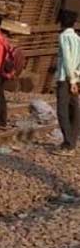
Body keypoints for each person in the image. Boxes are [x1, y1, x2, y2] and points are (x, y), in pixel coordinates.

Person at [53, 10, 80, 156]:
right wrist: (77, 77)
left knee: (62, 111)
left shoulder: (63, 36)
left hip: (66, 79)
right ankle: (72, 140)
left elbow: (67, 59)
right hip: (76, 77)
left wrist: (72, 80)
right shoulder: (77, 38)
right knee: (74, 109)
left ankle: (68, 144)